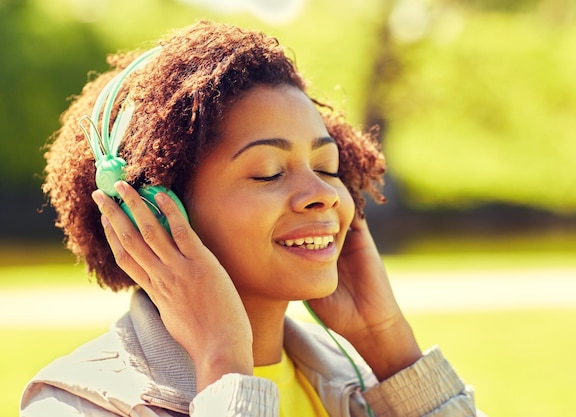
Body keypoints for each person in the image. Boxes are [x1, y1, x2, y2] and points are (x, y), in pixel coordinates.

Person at [21, 20, 482, 417]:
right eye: (269, 173)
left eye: (327, 168)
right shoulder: (77, 406)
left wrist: (390, 347)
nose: (322, 194)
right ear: (151, 214)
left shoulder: (361, 380)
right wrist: (223, 363)